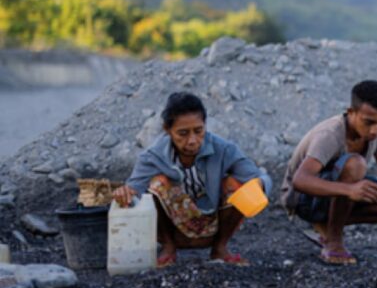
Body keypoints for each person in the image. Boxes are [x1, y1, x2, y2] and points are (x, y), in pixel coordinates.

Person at [112, 92, 272, 267]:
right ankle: (168, 247)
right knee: (158, 183)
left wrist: (259, 184)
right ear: (167, 130)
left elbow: (258, 177)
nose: (192, 140)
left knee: (236, 184)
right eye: (183, 133)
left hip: (215, 224)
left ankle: (220, 248)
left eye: (198, 131)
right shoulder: (153, 156)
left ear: (205, 126)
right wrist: (125, 192)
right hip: (174, 228)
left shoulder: (224, 149)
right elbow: (134, 189)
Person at [280, 80, 377, 264]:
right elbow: (301, 180)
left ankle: (326, 225)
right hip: (302, 200)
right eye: (369, 122)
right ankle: (334, 241)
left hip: (335, 193)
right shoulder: (330, 134)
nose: (375, 130)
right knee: (355, 165)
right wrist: (349, 190)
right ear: (351, 112)